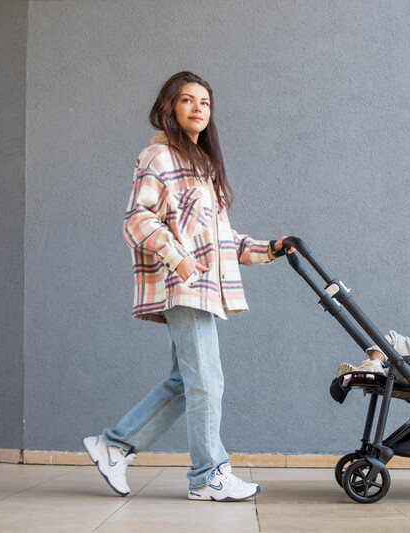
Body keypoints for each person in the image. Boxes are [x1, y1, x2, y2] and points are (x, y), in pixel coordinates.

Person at [83, 71, 289, 502]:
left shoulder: (203, 167)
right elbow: (136, 220)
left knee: (186, 380)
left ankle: (115, 445)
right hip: (184, 285)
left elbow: (220, 240)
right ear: (170, 107)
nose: (198, 108)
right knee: (207, 380)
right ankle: (208, 475)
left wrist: (269, 249)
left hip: (201, 286)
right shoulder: (158, 157)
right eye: (187, 100)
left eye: (205, 103)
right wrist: (178, 258)